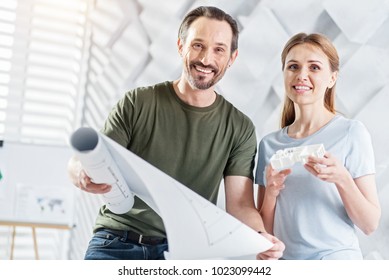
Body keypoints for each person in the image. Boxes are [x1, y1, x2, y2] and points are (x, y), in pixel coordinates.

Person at [68, 6, 284, 260]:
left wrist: (260, 237)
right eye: (198, 45)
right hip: (116, 242)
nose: (206, 59)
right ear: (181, 46)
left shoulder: (240, 128)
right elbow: (91, 156)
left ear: (231, 58)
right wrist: (77, 170)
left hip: (183, 254)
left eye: (219, 49)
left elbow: (240, 204)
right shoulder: (138, 102)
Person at [255, 32, 381, 260]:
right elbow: (265, 235)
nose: (301, 75)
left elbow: (370, 224)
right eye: (293, 67)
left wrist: (342, 178)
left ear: (332, 78)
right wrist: (271, 193)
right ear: (284, 74)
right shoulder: (269, 145)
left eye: (314, 67)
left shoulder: (351, 133)